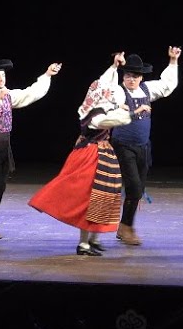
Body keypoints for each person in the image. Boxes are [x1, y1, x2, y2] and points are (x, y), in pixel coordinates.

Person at [29, 71, 132, 256]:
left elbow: (105, 84)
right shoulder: (95, 114)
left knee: (103, 195)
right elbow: (116, 119)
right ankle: (83, 244)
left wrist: (114, 67)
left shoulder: (94, 108)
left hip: (101, 153)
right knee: (89, 197)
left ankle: (93, 239)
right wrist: (129, 111)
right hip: (92, 156)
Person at [0, 59, 61, 239]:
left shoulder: (9, 95)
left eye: (2, 75)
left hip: (4, 146)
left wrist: (47, 75)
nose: (1, 79)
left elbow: (31, 93)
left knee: (0, 188)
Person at [109, 47, 181, 247]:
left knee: (137, 190)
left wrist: (173, 61)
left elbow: (168, 85)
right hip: (122, 146)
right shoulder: (118, 91)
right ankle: (127, 228)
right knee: (133, 187)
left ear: (141, 77)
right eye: (128, 76)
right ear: (124, 77)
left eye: (135, 76)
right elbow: (111, 101)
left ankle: (124, 227)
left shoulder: (147, 89)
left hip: (143, 146)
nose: (131, 79)